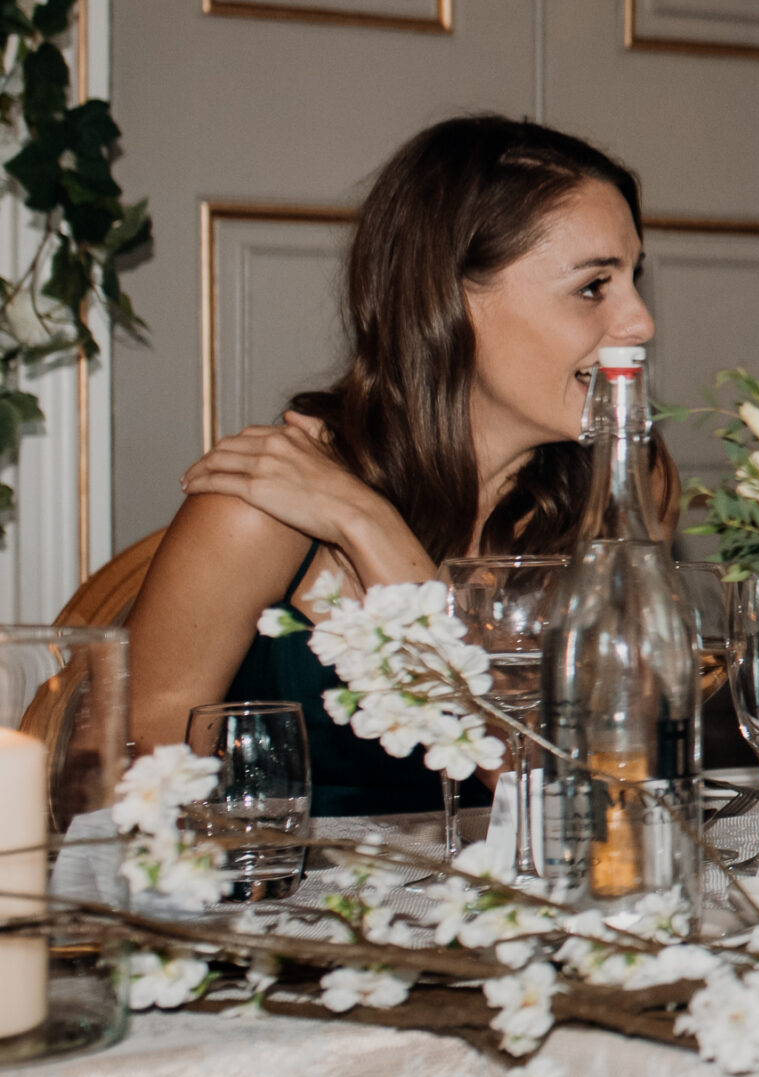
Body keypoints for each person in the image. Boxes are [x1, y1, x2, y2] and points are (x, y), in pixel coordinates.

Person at [125, 116, 662, 815]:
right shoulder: (264, 509)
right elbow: (126, 785)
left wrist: (373, 531)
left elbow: (583, 808)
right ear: (451, 302)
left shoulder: (625, 488)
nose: (641, 322)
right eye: (594, 286)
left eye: (632, 279)